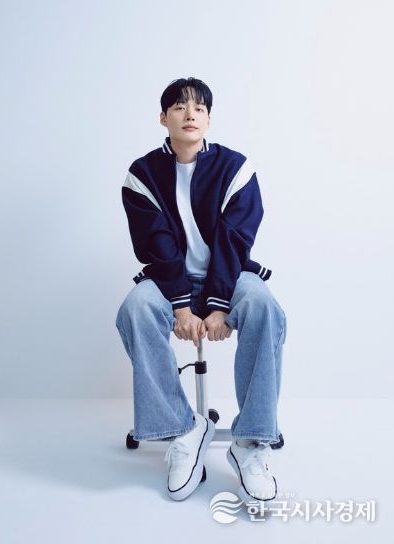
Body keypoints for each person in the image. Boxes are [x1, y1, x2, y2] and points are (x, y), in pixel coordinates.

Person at [115, 77, 287, 503]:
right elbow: (156, 243)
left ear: (209, 119)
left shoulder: (235, 168)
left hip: (228, 277)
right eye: (179, 107)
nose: (189, 114)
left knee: (264, 306)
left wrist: (218, 305)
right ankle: (183, 428)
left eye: (199, 108)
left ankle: (251, 442)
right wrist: (180, 307)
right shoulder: (142, 175)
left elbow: (235, 238)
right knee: (136, 308)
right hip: (170, 281)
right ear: (163, 118)